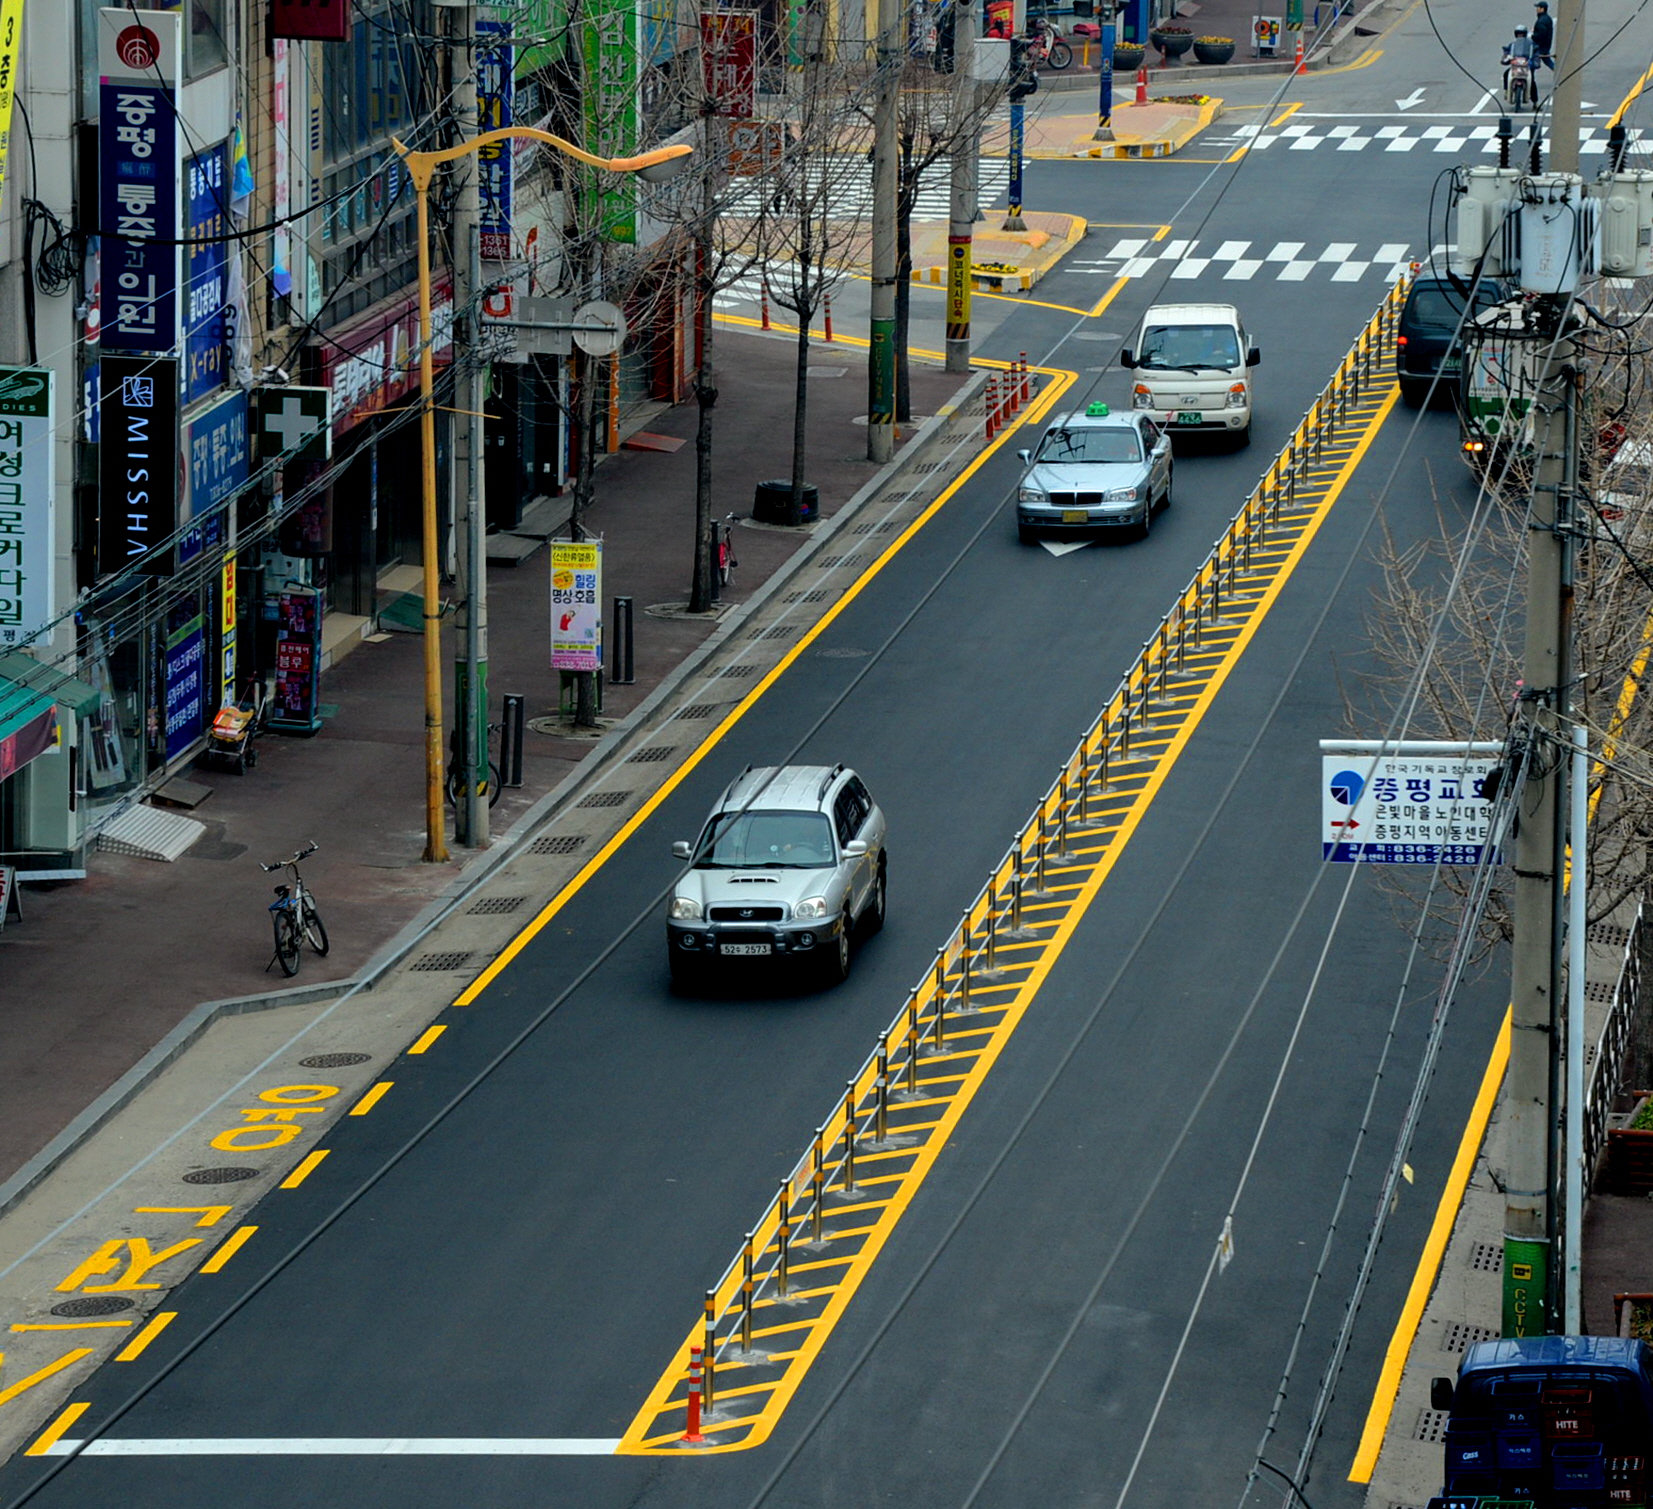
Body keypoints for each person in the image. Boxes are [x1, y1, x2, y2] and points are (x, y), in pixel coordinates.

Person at [1503, 25, 1537, 104]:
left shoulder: (1531, 44)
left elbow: (1536, 54)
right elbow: (1507, 52)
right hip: (1515, 66)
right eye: (1518, 34)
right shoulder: (1513, 44)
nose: (1520, 36)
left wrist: (1534, 61)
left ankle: (1535, 102)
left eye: (1521, 34)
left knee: (1532, 81)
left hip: (1527, 67)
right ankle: (1506, 90)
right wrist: (1506, 58)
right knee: (1506, 74)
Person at [1532, 1, 1556, 74]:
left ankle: (1531, 78)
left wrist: (1533, 36)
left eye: (1538, 8)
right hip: (1546, 45)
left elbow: (1541, 35)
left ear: (1542, 9)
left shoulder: (1541, 21)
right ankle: (1558, 71)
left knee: (1532, 61)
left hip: (1541, 46)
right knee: (1547, 60)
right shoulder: (1547, 18)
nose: (1537, 9)